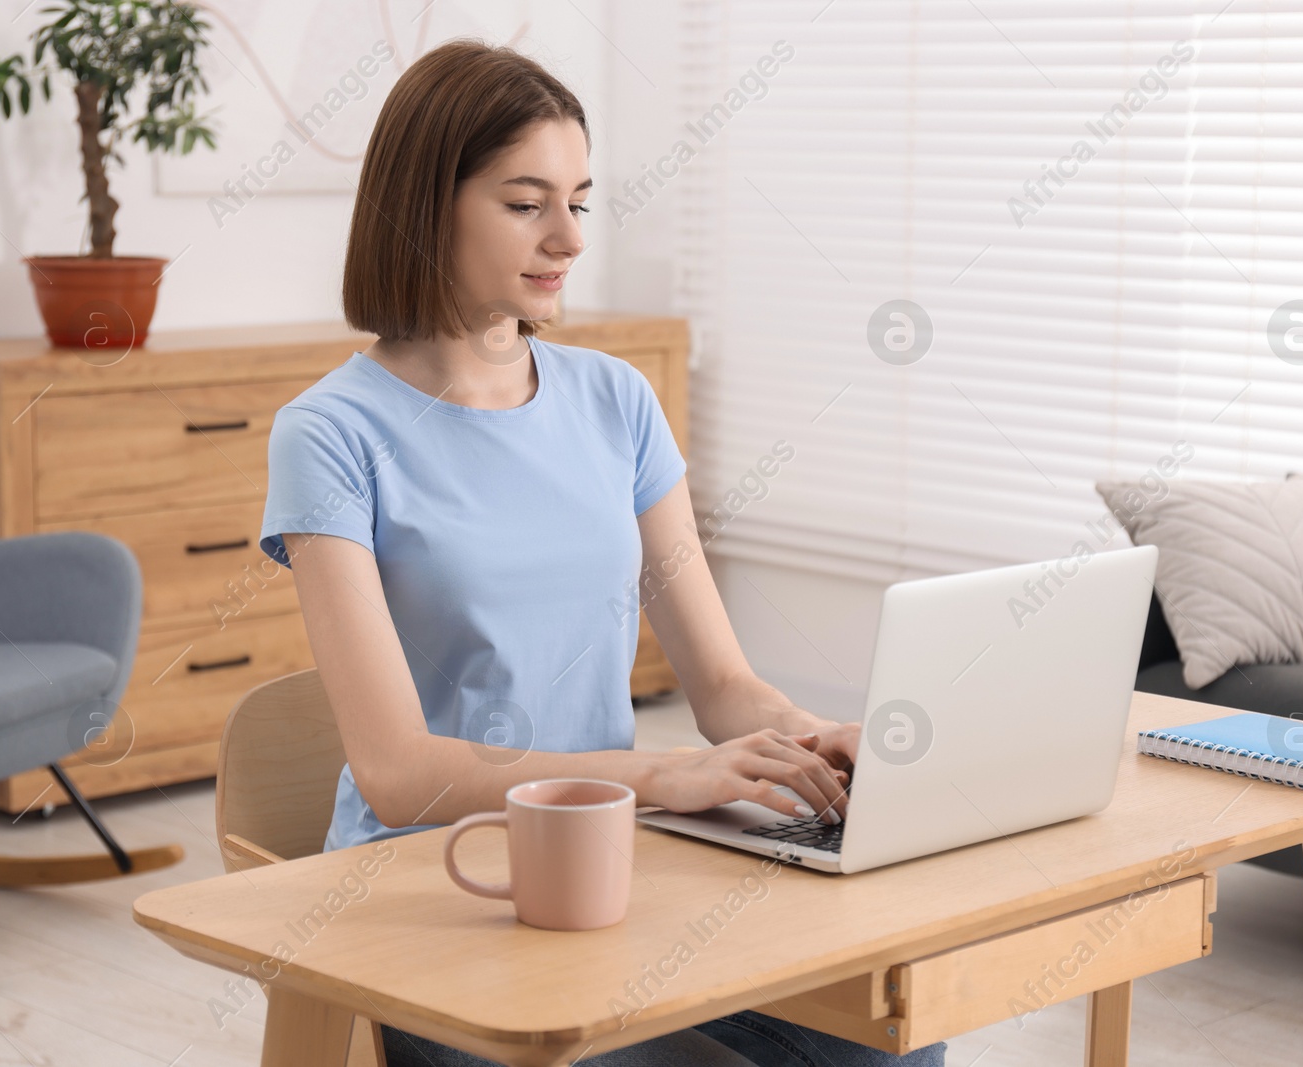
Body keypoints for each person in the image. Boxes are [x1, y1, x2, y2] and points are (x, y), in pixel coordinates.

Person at [260, 37, 947, 1067]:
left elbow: (720, 682)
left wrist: (811, 742)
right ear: (424, 205)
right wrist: (661, 774)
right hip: (433, 891)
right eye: (525, 201)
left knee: (893, 1037)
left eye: (578, 200)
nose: (567, 237)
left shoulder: (614, 398)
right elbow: (398, 774)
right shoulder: (330, 434)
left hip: (618, 863)